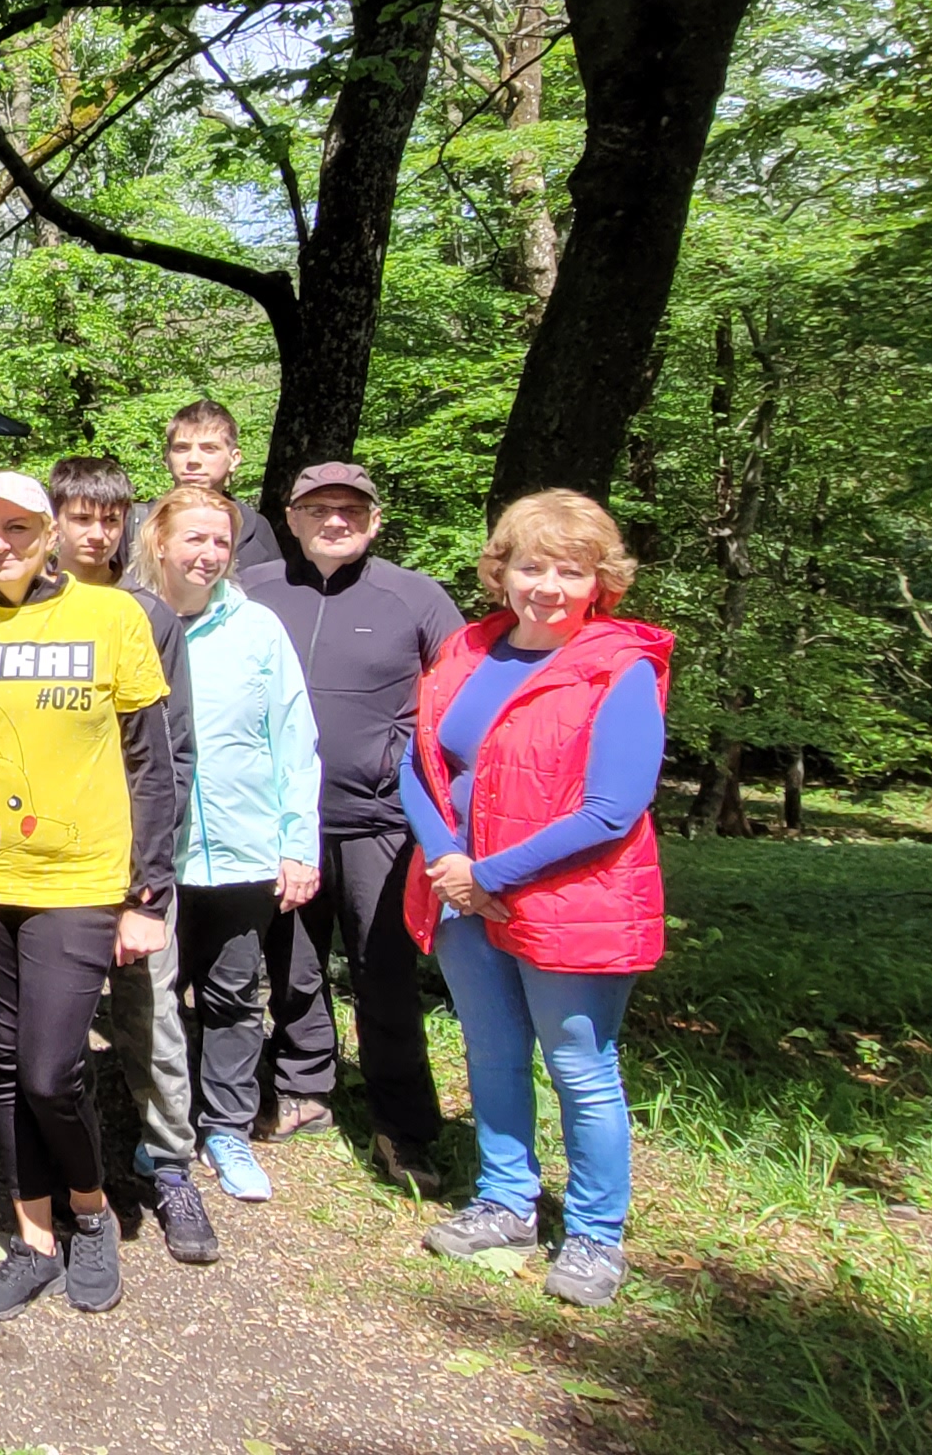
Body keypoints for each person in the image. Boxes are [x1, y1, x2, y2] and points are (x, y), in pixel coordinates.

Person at [0, 472, 178, 1321]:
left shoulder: (113, 617)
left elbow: (151, 765)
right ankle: (33, 1237)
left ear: (49, 534)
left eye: (17, 527)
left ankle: (91, 1211)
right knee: (7, 1065)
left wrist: (147, 895)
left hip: (78, 881)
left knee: (53, 1070)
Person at [403, 489, 672, 1311]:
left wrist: (490, 874)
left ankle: (594, 1235)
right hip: (462, 895)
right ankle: (506, 1202)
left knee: (581, 1070)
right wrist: (448, 860)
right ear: (502, 571)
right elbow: (419, 764)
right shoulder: (468, 650)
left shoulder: (619, 666)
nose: (548, 587)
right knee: (491, 1054)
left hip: (571, 900)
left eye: (570, 571)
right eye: (531, 566)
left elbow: (612, 809)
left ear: (601, 581)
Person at [242, 461, 467, 1190]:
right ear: (291, 518)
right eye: (317, 509)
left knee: (384, 973)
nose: (334, 521)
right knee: (291, 965)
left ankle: (403, 1127)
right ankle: (304, 1088)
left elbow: (462, 699)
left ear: (375, 520)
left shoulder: (416, 597)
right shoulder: (254, 589)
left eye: (350, 509)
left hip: (380, 823)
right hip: (280, 818)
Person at [46, 454, 217, 1266]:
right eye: (80, 518)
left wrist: (149, 872)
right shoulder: (28, 609)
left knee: (150, 1015)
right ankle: (65, 1164)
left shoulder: (151, 618)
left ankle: (171, 1163)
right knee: (56, 1022)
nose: (95, 533)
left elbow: (171, 753)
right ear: (54, 522)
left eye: (109, 519)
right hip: (51, 858)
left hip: (134, 860)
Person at [139, 485, 320, 1208]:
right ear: (159, 542)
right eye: (195, 538)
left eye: (221, 540)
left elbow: (294, 738)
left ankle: (228, 1129)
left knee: (236, 997)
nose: (210, 553)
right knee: (153, 1001)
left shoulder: (258, 629)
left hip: (244, 847)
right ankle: (162, 1127)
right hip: (154, 854)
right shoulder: (129, 618)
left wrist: (298, 843)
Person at [155, 401, 286, 571]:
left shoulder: (254, 530)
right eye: (182, 448)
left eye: (209, 448)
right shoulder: (138, 524)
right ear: (167, 457)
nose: (193, 460)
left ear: (234, 459)